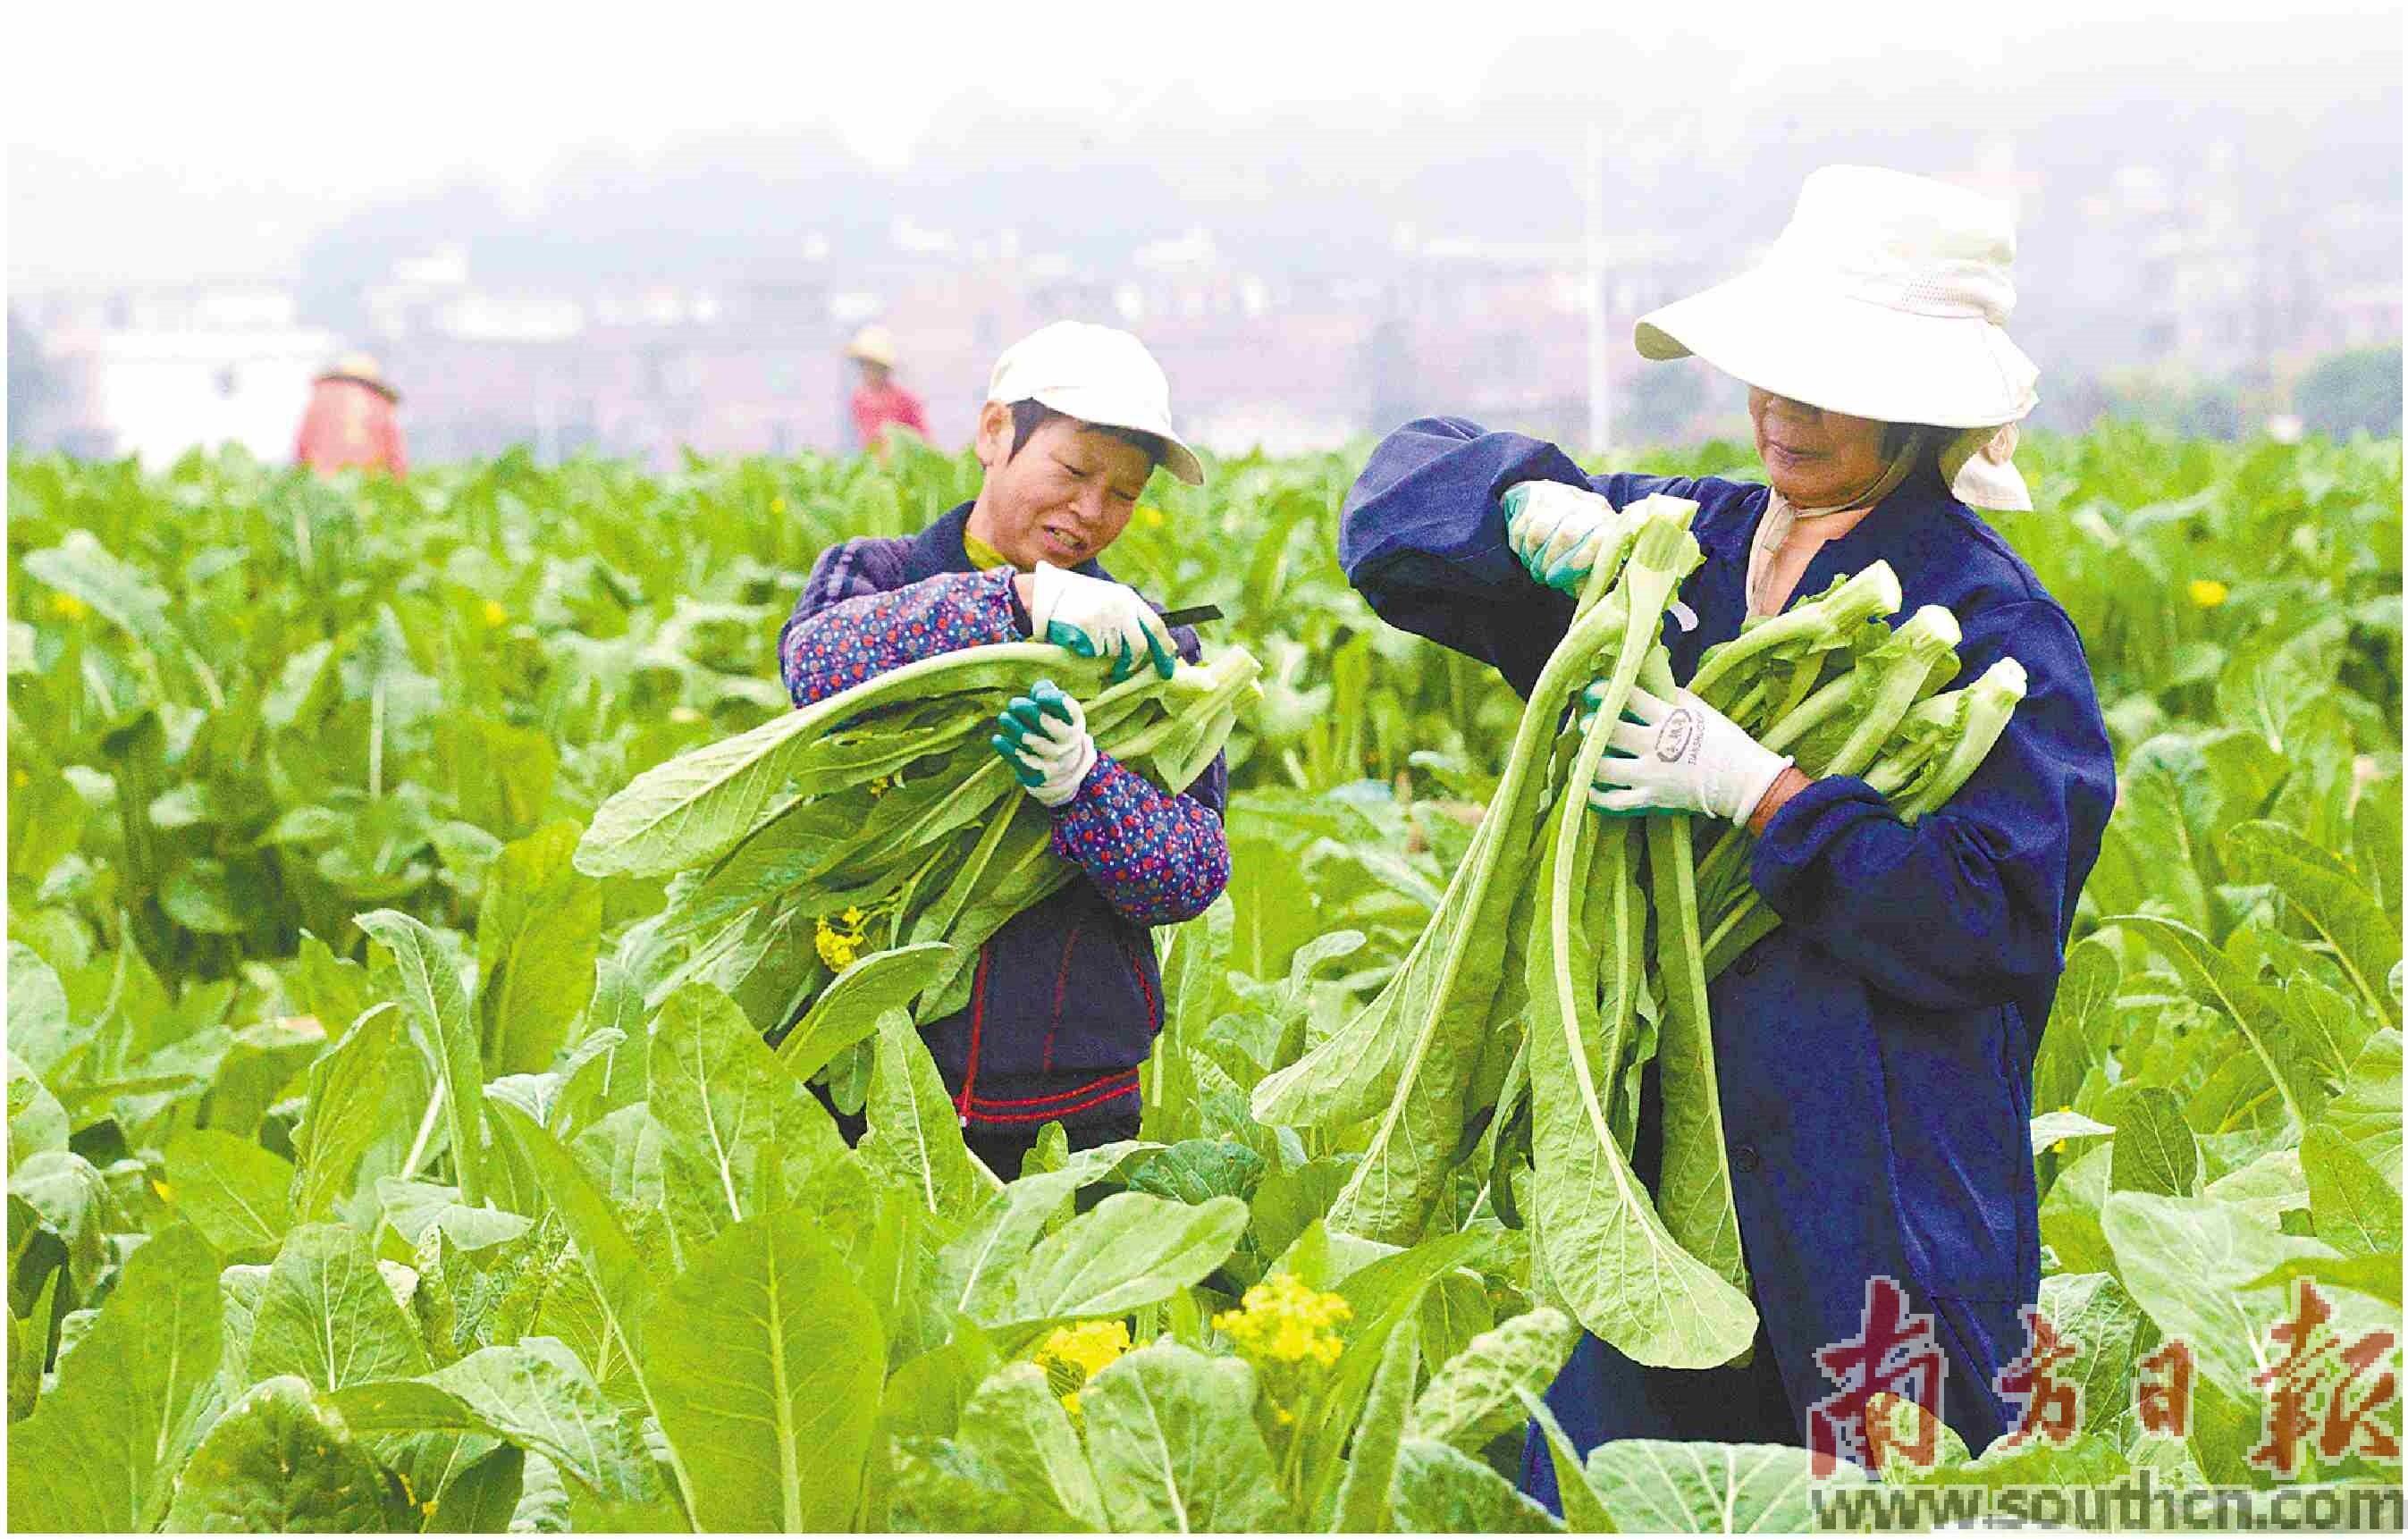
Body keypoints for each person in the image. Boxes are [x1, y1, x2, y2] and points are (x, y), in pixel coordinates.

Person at [1338, 166, 2117, 1492]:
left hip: (1878, 1191)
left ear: (1926, 414)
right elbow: (1391, 516)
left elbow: (1990, 923)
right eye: (1771, 371)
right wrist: (1523, 509)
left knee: (1890, 1497)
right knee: (1614, 1493)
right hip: (1653, 1182)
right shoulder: (1681, 546)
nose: (1781, 410)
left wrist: (1770, 797)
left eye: (1830, 387)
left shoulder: (1991, 631)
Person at [779, 321, 1225, 1176]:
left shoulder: (1154, 651)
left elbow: (1191, 871)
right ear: (994, 436)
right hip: (872, 1081)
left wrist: (1086, 789)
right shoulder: (876, 575)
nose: (1093, 511)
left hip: (1072, 1102)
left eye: (1125, 493)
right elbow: (817, 667)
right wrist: (1013, 605)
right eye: (1074, 472)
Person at [294, 351, 407, 475]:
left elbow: (302, 445)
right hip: (367, 481)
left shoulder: (321, 396)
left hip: (321, 480)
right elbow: (396, 456)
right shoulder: (381, 403)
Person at [844, 324, 931, 455]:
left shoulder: (905, 400)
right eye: (864, 365)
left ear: (884, 369)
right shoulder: (859, 399)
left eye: (872, 366)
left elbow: (924, 441)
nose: (868, 371)